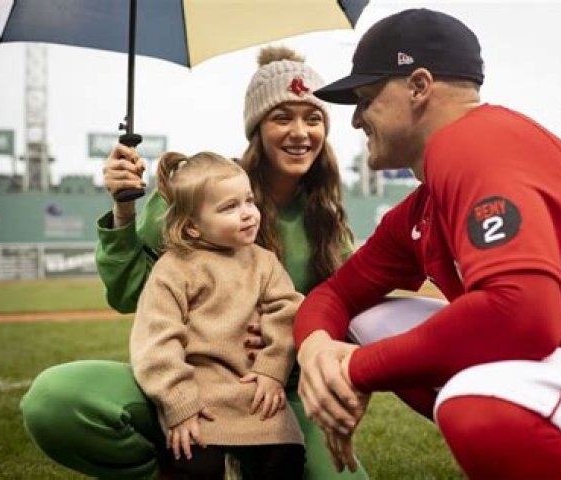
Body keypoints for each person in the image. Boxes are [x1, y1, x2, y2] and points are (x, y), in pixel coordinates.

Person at [292, 8, 561, 480]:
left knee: (479, 405)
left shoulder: (476, 142)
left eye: (366, 99)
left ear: (419, 86)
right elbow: (336, 295)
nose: (356, 120)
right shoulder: (430, 195)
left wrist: (357, 369)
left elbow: (523, 315)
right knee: (368, 319)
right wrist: (317, 353)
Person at [20, 46, 370, 480]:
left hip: (276, 394)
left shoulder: (329, 224)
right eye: (282, 117)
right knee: (54, 400)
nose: (300, 132)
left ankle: (250, 456)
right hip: (190, 380)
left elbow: (345, 317)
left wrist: (283, 339)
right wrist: (123, 210)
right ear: (256, 127)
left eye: (313, 118)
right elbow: (128, 295)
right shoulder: (197, 193)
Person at [131, 151, 305, 479]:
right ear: (192, 227)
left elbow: (287, 314)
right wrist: (179, 404)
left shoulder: (264, 262)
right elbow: (156, 341)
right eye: (229, 207)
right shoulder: (174, 268)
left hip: (257, 395)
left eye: (249, 201)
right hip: (199, 397)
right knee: (194, 461)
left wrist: (272, 371)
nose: (248, 213)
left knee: (286, 459)